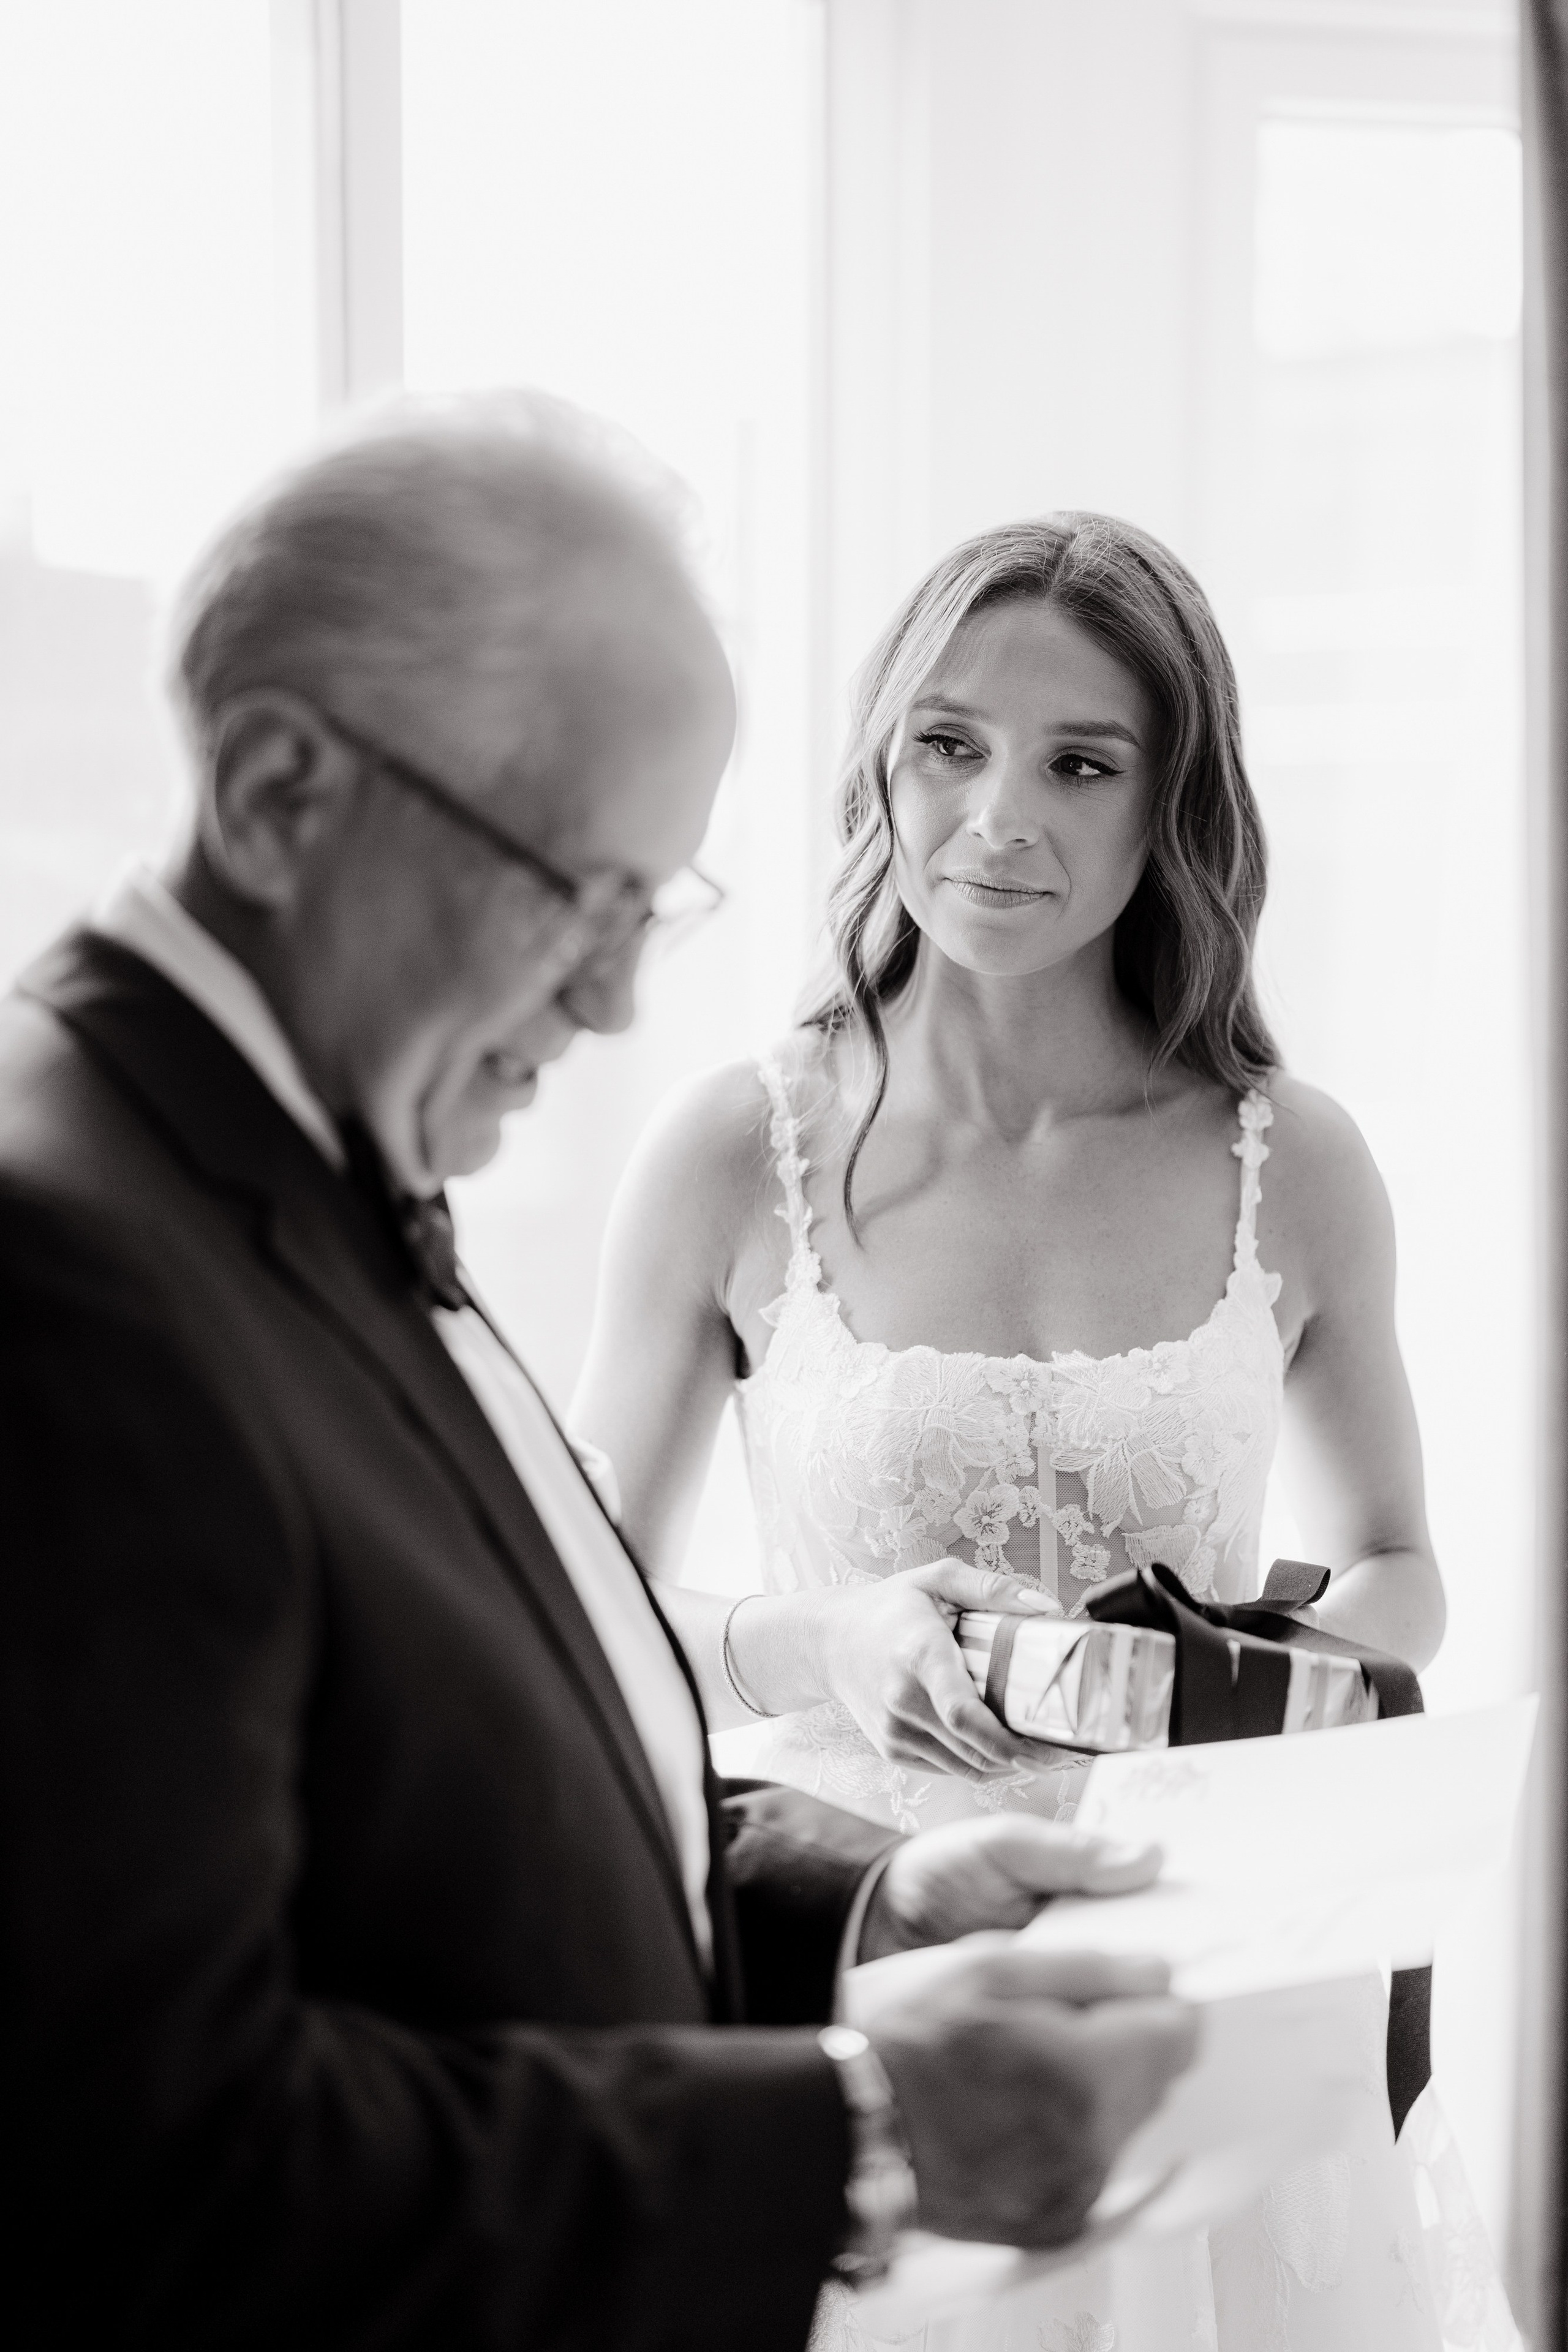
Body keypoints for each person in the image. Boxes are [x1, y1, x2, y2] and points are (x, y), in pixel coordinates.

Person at [0, 412, 1200, 2350]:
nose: (614, 1000)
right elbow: (141, 2159)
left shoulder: (319, 1155)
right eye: (578, 895)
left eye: (653, 911)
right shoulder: (64, 1273)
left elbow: (458, 1790)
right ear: (284, 790)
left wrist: (864, 1904)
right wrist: (863, 2130)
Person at [575, 514, 1521, 2348]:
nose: (997, 818)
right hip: (870, 1976)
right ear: (881, 762)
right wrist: (823, 1639)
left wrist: (1245, 1686)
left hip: (1199, 1957)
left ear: (1172, 807)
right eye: (950, 745)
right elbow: (583, 1614)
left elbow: (1407, 1568)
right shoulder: (728, 1150)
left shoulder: (1291, 1160)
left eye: (1079, 763)